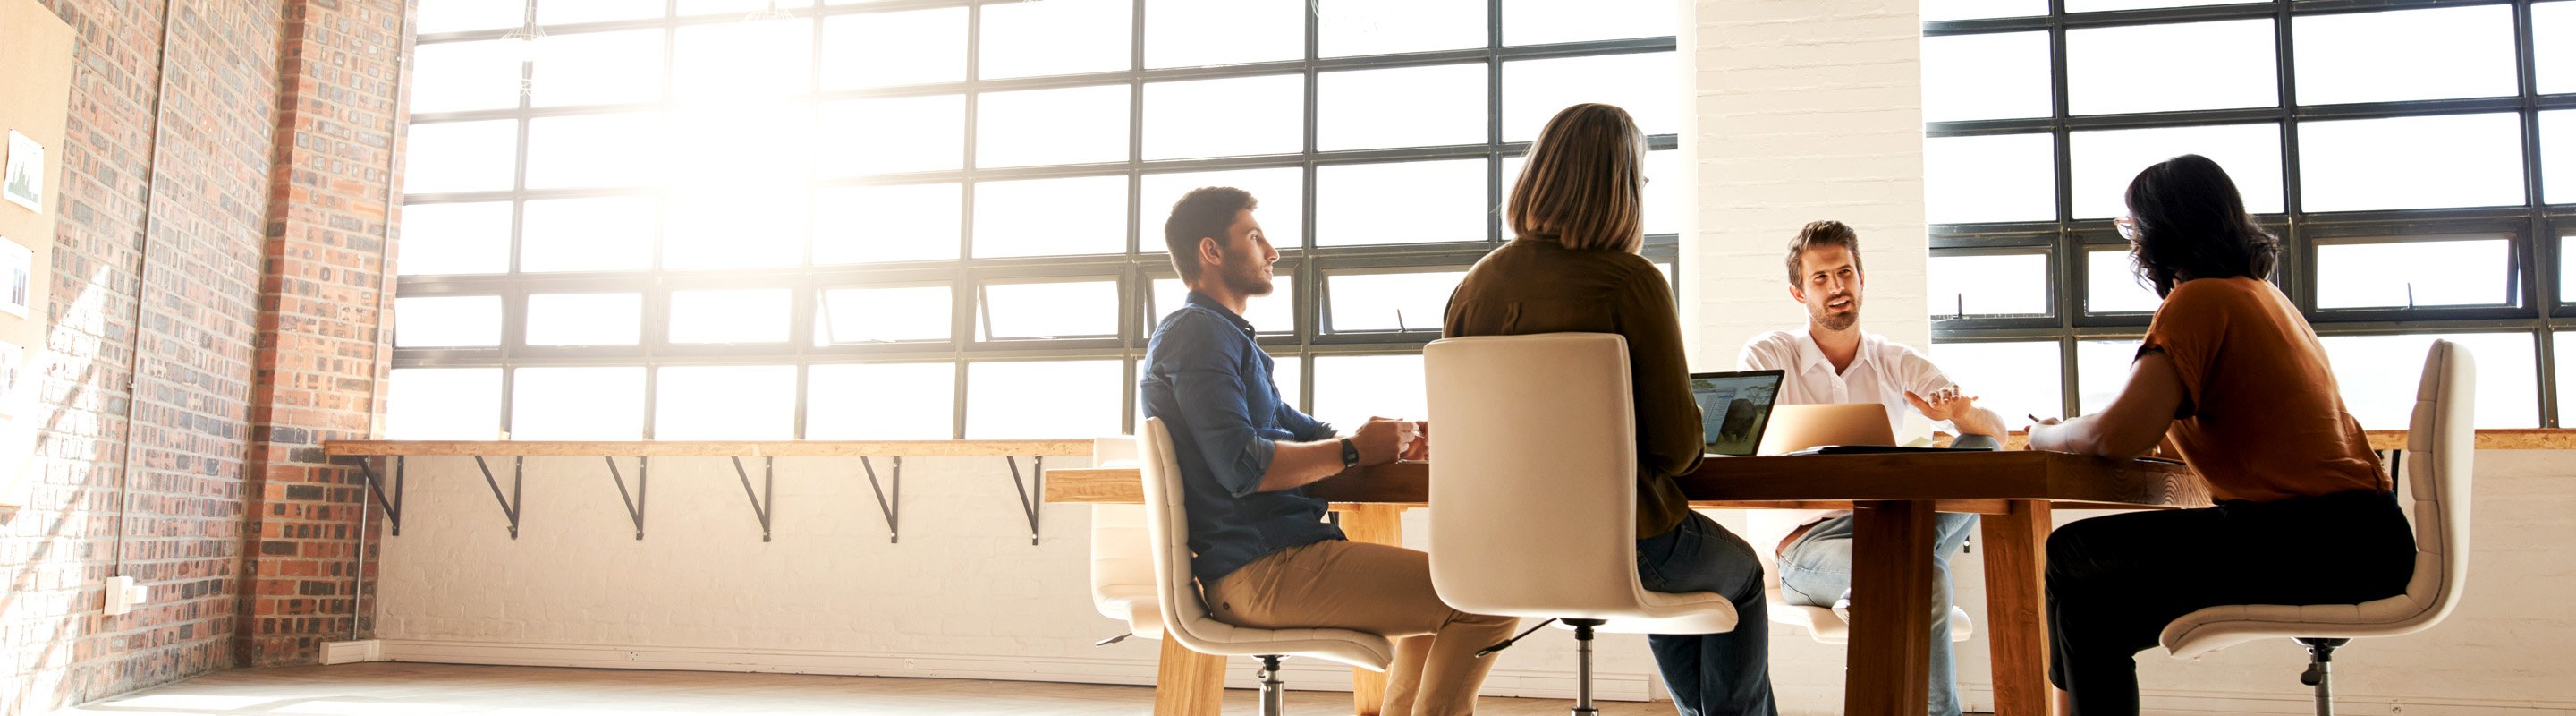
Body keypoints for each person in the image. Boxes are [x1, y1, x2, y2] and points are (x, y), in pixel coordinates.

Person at [2027, 154, 2416, 716]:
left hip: (2313, 539)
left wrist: (2048, 434)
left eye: (2132, 227)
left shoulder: (2198, 299)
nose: (2132, 243)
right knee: (2092, 613)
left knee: (2069, 549)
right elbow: (2180, 425)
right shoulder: (2259, 296)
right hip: (2362, 540)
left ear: (2161, 231)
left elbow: (2121, 434)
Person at [1444, 102, 1777, 716]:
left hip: (1497, 548)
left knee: (1685, 572)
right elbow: (1678, 451)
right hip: (1625, 545)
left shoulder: (1474, 287)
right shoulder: (1631, 282)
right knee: (1743, 575)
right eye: (1640, 179)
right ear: (1619, 188)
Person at [1140, 186, 1517, 716]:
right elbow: (1244, 466)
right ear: (1211, 251)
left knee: (1448, 603)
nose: (1272, 251)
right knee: (1484, 600)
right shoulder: (1197, 335)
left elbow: (1308, 430)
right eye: (1254, 236)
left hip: (1272, 561)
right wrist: (1354, 451)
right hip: (1264, 568)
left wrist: (1396, 440)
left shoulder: (1226, 339)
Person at [1737, 220, 2012, 716]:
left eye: (1845, 273)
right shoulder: (1768, 355)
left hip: (1895, 524)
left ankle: (1871, 586)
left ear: (1863, 279)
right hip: (1809, 546)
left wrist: (1958, 415)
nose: (1836, 287)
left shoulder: (1896, 360)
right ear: (1799, 293)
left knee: (1980, 448)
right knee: (1922, 576)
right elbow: (1745, 443)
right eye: (1820, 278)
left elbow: (1995, 430)